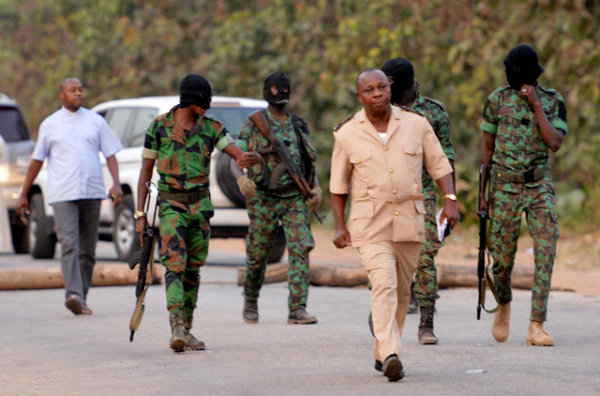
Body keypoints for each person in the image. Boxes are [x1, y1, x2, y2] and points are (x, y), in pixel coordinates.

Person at [330, 69, 458, 381]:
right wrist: (339, 226)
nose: (377, 94)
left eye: (381, 87)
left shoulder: (416, 124)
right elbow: (338, 183)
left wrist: (450, 199)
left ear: (390, 88)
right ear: (359, 96)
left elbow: (439, 164)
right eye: (369, 90)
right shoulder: (347, 133)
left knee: (401, 292)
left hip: (410, 220)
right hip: (370, 222)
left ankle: (382, 349)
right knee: (384, 283)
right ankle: (390, 353)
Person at [135, 73, 260, 353]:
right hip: (170, 207)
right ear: (192, 100)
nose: (207, 105)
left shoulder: (211, 127)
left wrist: (249, 158)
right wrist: (139, 215)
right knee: (174, 265)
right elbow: (145, 172)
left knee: (193, 268)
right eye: (204, 100)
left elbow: (234, 152)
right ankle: (176, 326)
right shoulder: (159, 127)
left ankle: (187, 329)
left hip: (200, 209)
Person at [478, 44, 567, 347]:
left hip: (539, 186)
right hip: (504, 187)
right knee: (501, 261)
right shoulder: (496, 100)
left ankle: (536, 325)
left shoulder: (553, 102)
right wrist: (482, 196)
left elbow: (554, 142)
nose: (516, 76)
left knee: (546, 251)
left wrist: (536, 106)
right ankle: (503, 302)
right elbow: (487, 150)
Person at [17, 77, 124, 315]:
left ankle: (81, 297)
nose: (78, 93)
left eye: (80, 89)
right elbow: (37, 160)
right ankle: (73, 293)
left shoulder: (96, 122)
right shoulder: (50, 124)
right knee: (69, 243)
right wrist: (24, 192)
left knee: (88, 249)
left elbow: (110, 154)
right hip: (63, 193)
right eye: (72, 90)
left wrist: (116, 183)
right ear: (62, 95)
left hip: (92, 191)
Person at [233, 71, 321, 325]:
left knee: (301, 247)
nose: (278, 94)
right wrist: (241, 179)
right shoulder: (254, 123)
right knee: (259, 254)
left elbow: (305, 164)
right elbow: (236, 158)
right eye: (273, 89)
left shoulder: (298, 125)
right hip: (263, 198)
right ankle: (250, 297)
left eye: (282, 89)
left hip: (293, 198)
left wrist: (315, 189)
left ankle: (297, 308)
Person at [381, 57, 456, 345]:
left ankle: (426, 320)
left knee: (424, 258)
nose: (384, 90)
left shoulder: (433, 113)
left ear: (407, 84)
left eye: (390, 84)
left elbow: (446, 159)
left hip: (422, 192)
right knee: (384, 256)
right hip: (386, 193)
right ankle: (384, 314)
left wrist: (450, 199)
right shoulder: (379, 110)